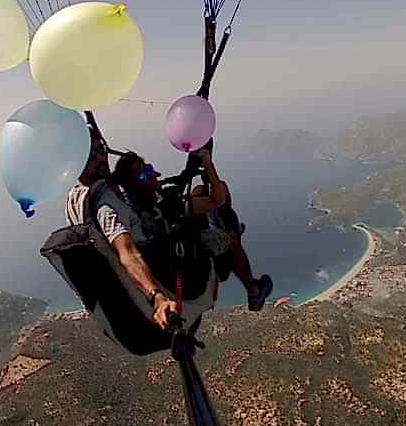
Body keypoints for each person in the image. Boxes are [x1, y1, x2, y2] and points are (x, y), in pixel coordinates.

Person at [65, 131, 179, 329]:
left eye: (101, 149)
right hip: (155, 271)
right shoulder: (104, 205)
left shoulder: (76, 197)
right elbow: (127, 253)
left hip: (115, 295)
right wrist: (156, 297)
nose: (101, 158)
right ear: (77, 161)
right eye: (91, 155)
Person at [192, 180, 273, 311]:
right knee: (232, 241)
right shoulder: (221, 212)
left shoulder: (215, 213)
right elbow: (220, 192)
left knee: (231, 235)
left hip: (199, 246)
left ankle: (253, 291)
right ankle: (253, 291)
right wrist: (208, 165)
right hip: (208, 254)